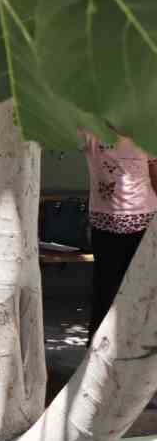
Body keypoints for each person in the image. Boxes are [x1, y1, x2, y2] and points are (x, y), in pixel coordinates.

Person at [83, 130, 157, 333]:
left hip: (134, 220)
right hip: (118, 221)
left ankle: (101, 350)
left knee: (107, 291)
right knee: (125, 293)